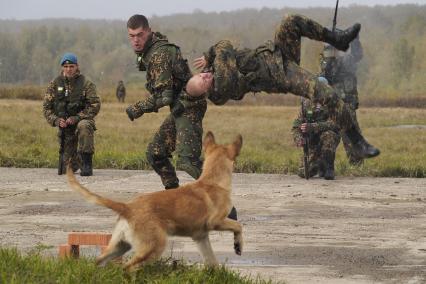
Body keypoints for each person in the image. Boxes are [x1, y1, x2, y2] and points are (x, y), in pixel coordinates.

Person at [190, 14, 380, 160]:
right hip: (282, 75)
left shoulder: (214, 71)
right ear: (206, 92)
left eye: (201, 75)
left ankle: (336, 39)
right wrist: (210, 53)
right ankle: (357, 141)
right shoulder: (221, 86)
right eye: (203, 82)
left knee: (290, 21)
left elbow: (224, 50)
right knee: (325, 94)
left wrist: (210, 57)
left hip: (278, 52)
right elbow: (225, 46)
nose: (205, 76)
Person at [124, 14, 238, 220]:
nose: (136, 40)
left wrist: (137, 108)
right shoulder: (151, 51)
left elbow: (163, 97)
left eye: (140, 35)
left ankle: (227, 207)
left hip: (189, 107)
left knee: (188, 161)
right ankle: (173, 198)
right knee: (155, 153)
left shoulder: (159, 55)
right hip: (179, 108)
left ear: (149, 31)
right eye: (131, 36)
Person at [43, 52, 101, 176]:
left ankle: (86, 163)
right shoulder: (55, 84)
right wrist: (57, 120)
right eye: (65, 67)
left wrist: (77, 117)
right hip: (66, 129)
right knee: (66, 170)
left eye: (71, 66)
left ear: (77, 67)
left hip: (82, 121)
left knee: (84, 126)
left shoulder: (86, 83)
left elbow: (95, 105)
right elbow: (47, 109)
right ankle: (76, 160)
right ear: (62, 67)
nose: (68, 69)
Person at [320, 36, 364, 165]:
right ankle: (323, 165)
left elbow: (357, 54)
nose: (330, 54)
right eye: (327, 51)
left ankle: (356, 166)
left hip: (347, 104)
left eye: (332, 50)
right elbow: (323, 79)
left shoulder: (347, 61)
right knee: (328, 135)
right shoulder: (325, 65)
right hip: (332, 106)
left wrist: (355, 39)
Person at [292, 97, 340, 180]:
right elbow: (296, 126)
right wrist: (299, 139)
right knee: (303, 172)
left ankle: (329, 168)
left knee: (328, 135)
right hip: (312, 141)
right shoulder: (306, 104)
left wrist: (313, 126)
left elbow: (334, 123)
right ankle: (319, 165)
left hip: (328, 137)